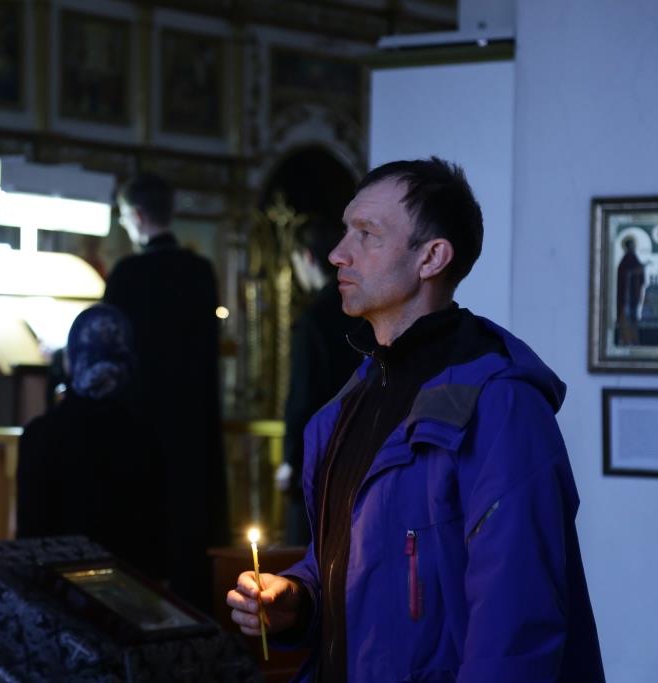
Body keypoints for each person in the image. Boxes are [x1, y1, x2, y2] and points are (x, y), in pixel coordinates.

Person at [227, 158, 604, 682]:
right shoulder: (356, 399)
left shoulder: (501, 406)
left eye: (366, 234)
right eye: (345, 231)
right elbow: (360, 559)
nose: (338, 253)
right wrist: (301, 597)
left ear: (431, 257)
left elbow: (516, 627)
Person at [103, 172, 227, 611]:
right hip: (193, 429)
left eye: (124, 217)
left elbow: (111, 350)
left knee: (142, 547)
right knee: (189, 539)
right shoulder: (200, 271)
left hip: (138, 429)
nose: (125, 225)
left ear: (137, 216)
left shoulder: (127, 274)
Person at [16, 304, 165, 580]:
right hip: (133, 595)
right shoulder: (148, 435)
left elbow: (30, 538)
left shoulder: (41, 435)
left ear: (72, 360)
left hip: (60, 594)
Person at [276, 216, 361, 546]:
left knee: (306, 548)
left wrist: (290, 459)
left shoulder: (314, 319)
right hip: (357, 447)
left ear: (307, 257)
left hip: (316, 455)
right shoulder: (361, 312)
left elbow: (303, 396)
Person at [614, 236, 645, 346]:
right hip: (626, 293)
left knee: (633, 317)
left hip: (633, 292)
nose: (633, 247)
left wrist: (640, 269)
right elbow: (624, 272)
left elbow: (638, 270)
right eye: (632, 245)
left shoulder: (634, 257)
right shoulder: (626, 258)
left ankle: (633, 339)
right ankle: (626, 340)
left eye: (633, 245)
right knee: (627, 316)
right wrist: (636, 271)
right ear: (628, 246)